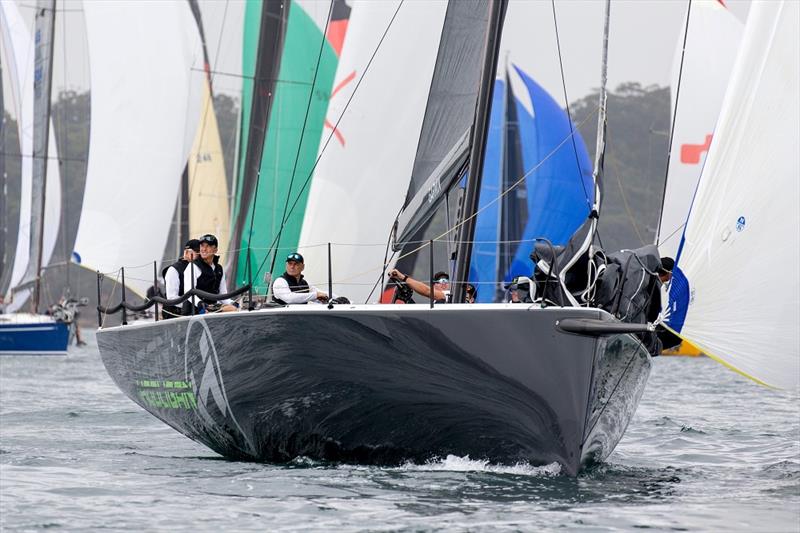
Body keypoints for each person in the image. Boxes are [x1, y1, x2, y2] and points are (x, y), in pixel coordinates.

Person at [183, 234, 238, 313]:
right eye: (202, 246)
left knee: (234, 308)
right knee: (230, 309)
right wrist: (200, 304)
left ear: (215, 250)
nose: (204, 249)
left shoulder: (219, 269)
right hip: (193, 311)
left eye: (208, 246)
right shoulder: (192, 266)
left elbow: (223, 295)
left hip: (211, 309)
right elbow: (188, 292)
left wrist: (233, 303)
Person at [161, 239, 200, 319]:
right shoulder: (173, 270)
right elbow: (172, 297)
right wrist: (192, 306)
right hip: (175, 315)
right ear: (186, 252)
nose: (199, 255)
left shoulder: (200, 268)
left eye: (200, 252)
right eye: (197, 252)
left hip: (196, 312)